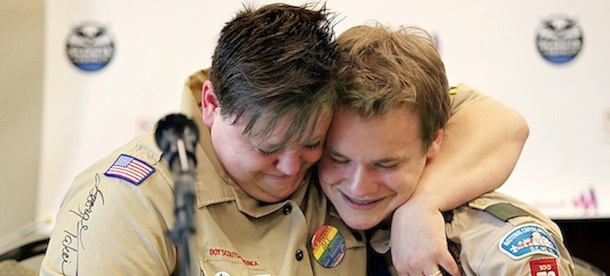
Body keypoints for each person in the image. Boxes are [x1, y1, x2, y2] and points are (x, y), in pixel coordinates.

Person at [40, 3, 528, 275]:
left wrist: (420, 204)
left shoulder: (343, 149)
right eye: (267, 149)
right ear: (211, 104)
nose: (293, 170)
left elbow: (501, 124)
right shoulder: (131, 201)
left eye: (315, 145)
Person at [318, 23, 574, 275]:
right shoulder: (298, 183)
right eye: (338, 159)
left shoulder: (497, 252)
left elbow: (507, 122)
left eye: (386, 165)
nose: (358, 187)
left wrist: (421, 205)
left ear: (434, 142)